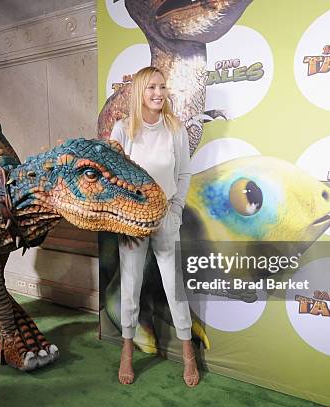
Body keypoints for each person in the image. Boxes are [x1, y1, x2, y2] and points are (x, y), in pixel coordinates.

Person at [110, 66, 198, 387]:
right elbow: (112, 178)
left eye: (162, 87)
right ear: (139, 93)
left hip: (165, 218)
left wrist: (175, 210)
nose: (158, 93)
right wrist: (123, 214)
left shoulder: (176, 130)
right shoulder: (122, 130)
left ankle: (188, 352)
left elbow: (184, 174)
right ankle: (127, 351)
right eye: (151, 88)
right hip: (132, 221)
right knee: (130, 286)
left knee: (174, 286)